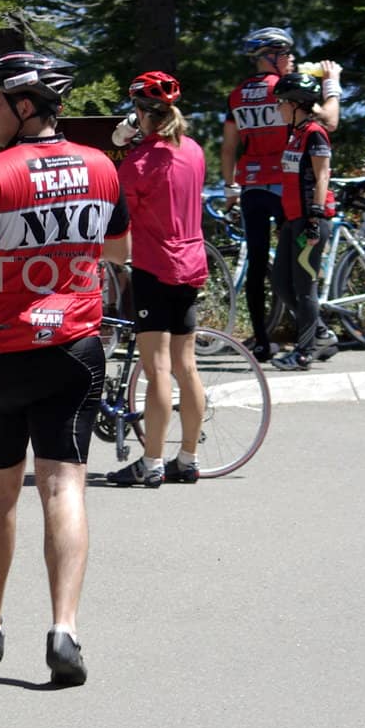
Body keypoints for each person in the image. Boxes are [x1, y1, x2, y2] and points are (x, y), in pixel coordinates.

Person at [0, 51, 129, 687]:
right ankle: (64, 628)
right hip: (76, 347)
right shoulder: (103, 166)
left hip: (3, 351)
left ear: (24, 107)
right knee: (64, 486)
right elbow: (119, 250)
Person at [103, 72, 209, 488]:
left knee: (157, 368)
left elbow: (117, 209)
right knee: (187, 366)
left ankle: (151, 463)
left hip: (154, 265)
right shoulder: (195, 151)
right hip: (191, 263)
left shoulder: (139, 163)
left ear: (142, 115)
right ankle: (188, 458)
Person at [219, 27, 342, 361]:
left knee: (258, 265)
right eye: (286, 54)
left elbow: (229, 148)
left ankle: (261, 341)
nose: (292, 60)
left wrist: (230, 187)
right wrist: (332, 84)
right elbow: (329, 121)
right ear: (270, 56)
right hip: (288, 188)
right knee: (299, 271)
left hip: (251, 186)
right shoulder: (286, 89)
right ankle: (313, 335)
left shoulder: (237, 95)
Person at [269, 73, 335, 372]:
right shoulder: (293, 134)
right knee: (282, 282)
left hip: (310, 221)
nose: (278, 107)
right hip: (293, 220)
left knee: (305, 288)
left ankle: (305, 352)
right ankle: (320, 331)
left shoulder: (314, 133)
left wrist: (316, 216)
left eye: (282, 102)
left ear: (297, 104)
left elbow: (323, 176)